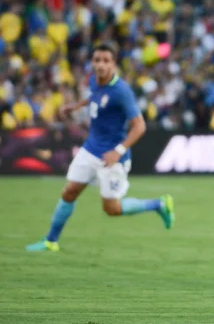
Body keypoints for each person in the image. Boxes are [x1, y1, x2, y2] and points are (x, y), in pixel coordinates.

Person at [26, 43, 175, 252]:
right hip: (90, 148)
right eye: (97, 60)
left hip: (111, 157)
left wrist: (118, 151)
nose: (101, 65)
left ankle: (158, 204)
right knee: (69, 192)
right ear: (92, 63)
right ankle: (51, 241)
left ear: (113, 64)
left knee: (111, 209)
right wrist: (75, 106)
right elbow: (95, 97)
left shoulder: (122, 91)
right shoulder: (94, 80)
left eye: (106, 61)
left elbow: (139, 126)